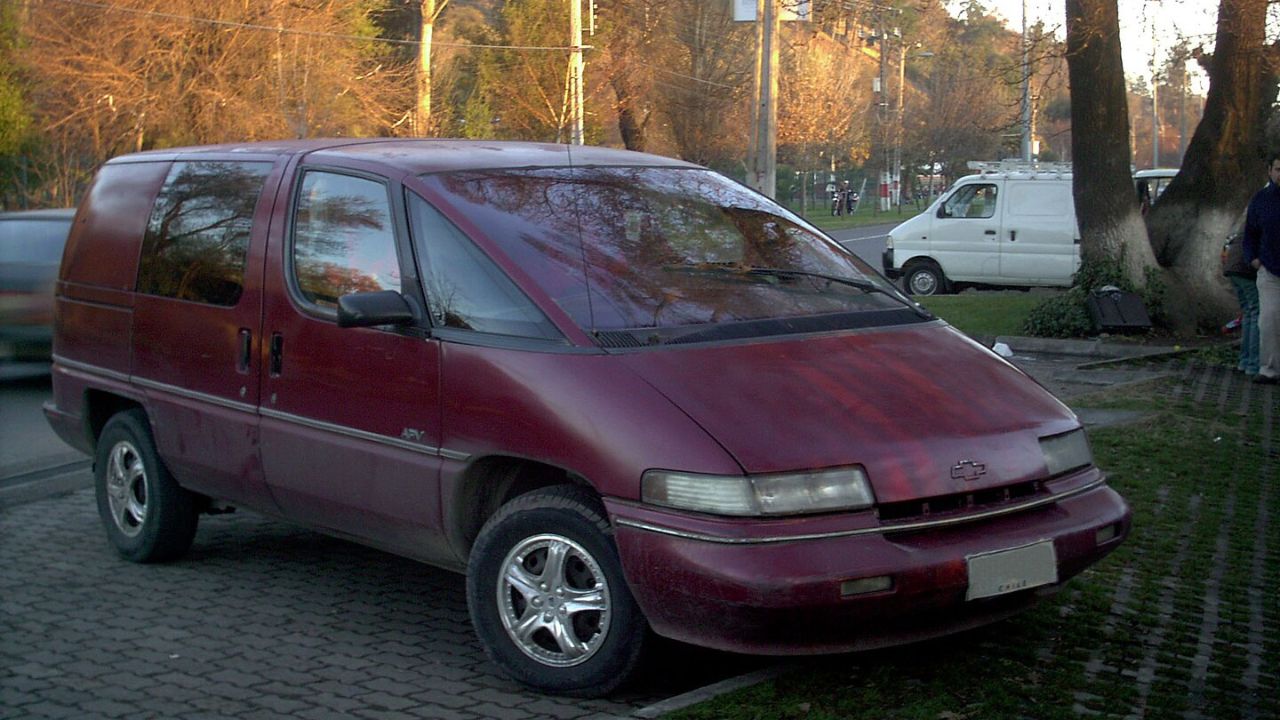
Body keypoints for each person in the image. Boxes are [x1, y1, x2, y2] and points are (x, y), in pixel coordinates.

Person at [1244, 152, 1280, 384]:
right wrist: (1254, 259)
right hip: (1270, 271)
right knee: (1268, 320)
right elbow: (1250, 234)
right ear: (1270, 171)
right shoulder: (1261, 200)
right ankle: (1269, 369)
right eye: (1278, 169)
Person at [1222, 231, 1259, 376]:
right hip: (1246, 269)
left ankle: (1244, 362)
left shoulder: (1255, 215)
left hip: (1234, 268)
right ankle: (1253, 364)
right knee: (1257, 313)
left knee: (1249, 314)